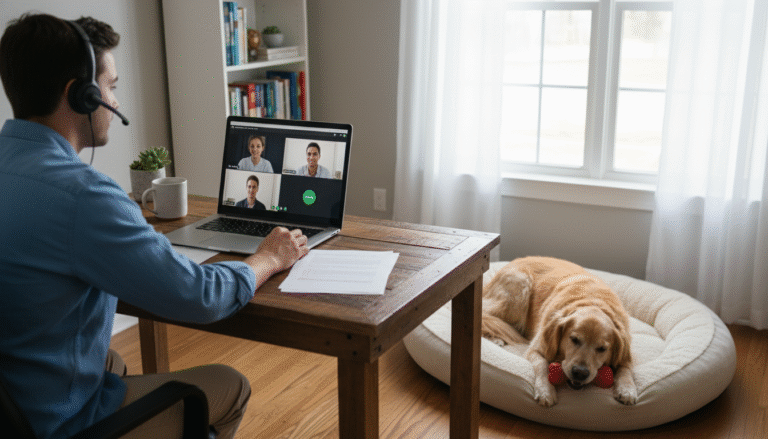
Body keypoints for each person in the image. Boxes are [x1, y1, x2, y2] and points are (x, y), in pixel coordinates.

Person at [0, 13, 308, 439]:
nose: (117, 101)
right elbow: (200, 297)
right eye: (111, 86)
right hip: (56, 421)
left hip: (15, 396)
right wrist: (268, 257)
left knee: (113, 362)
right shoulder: (84, 196)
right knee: (230, 385)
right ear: (82, 97)